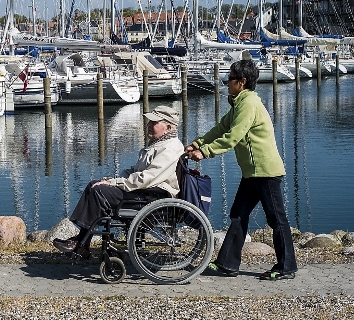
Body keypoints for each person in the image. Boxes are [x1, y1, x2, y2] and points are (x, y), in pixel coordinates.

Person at [185, 59, 298, 281]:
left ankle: (286, 267)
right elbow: (221, 128)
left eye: (230, 79)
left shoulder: (249, 104)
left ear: (242, 82)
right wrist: (197, 143)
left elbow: (232, 137)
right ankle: (228, 264)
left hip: (266, 171)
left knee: (276, 219)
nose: (227, 83)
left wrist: (205, 152)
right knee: (238, 214)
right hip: (252, 172)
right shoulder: (240, 103)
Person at [52, 105, 183, 260]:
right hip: (144, 191)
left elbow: (147, 178)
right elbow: (136, 171)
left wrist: (117, 183)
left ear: (168, 127)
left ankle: (81, 243)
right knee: (94, 185)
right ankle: (82, 242)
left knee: (99, 191)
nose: (148, 125)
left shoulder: (170, 148)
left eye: (153, 123)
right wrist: (112, 180)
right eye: (149, 122)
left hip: (152, 196)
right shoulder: (159, 144)